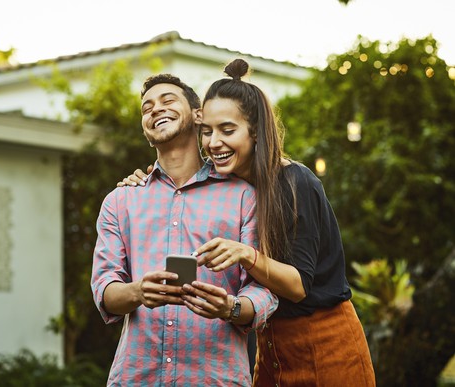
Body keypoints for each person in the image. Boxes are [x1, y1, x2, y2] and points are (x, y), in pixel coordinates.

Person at [119, 59, 376, 386]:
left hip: (324, 339)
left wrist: (246, 254)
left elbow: (298, 286)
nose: (214, 143)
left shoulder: (295, 182)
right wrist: (145, 181)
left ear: (255, 132)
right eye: (208, 131)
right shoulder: (231, 188)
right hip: (268, 343)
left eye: (228, 130)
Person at [90, 73, 278, 386]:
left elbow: (264, 289)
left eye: (167, 100)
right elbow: (104, 290)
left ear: (197, 115)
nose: (155, 109)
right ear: (145, 130)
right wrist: (139, 291)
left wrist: (230, 308)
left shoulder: (244, 197)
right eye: (146, 108)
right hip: (137, 378)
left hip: (216, 378)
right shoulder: (120, 200)